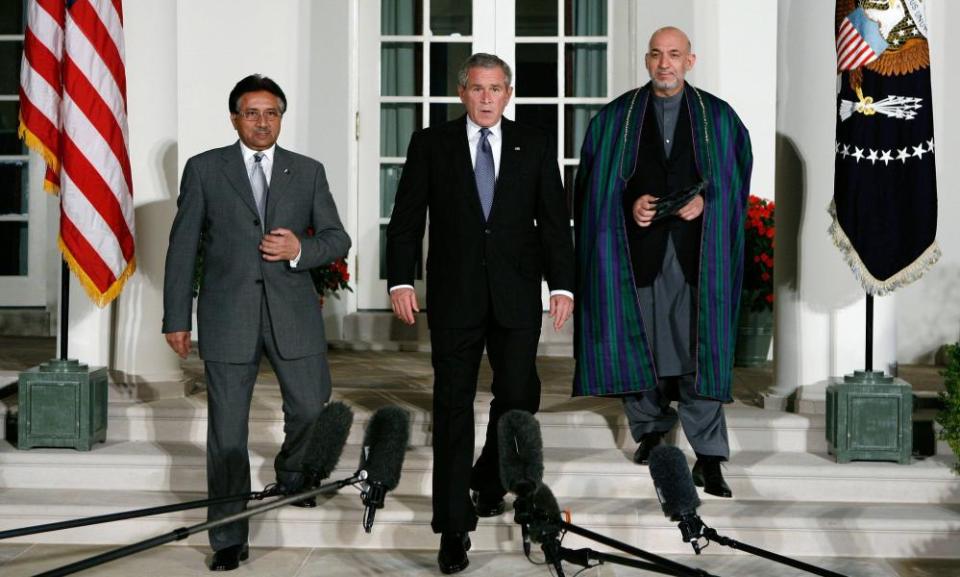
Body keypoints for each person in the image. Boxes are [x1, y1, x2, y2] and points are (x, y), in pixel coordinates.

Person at [386, 53, 574, 574]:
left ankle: (489, 478)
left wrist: (562, 285)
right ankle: (452, 528)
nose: (487, 97)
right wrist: (401, 279)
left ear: (508, 92)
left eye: (496, 88)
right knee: (452, 407)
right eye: (477, 88)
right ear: (461, 92)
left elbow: (555, 222)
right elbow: (405, 220)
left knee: (519, 396)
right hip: (454, 297)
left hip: (516, 296)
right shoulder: (432, 144)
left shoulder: (533, 144)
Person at [162, 74, 351, 572]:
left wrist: (300, 250)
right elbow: (182, 248)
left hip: (293, 315)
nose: (262, 122)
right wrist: (176, 318)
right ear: (234, 118)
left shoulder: (307, 172)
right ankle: (227, 537)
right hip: (227, 318)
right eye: (252, 113)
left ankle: (293, 474)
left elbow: (337, 238)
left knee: (312, 406)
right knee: (227, 433)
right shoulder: (204, 170)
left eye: (271, 113)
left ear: (281, 118)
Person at [572, 27, 752, 499]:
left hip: (697, 257)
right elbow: (592, 187)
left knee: (699, 351)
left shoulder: (720, 118)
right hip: (639, 257)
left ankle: (709, 456)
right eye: (656, 55)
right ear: (646, 60)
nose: (664, 64)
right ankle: (650, 432)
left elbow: (736, 181)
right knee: (642, 344)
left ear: (691, 60)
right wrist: (629, 203)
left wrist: (706, 203)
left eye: (674, 55)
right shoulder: (615, 119)